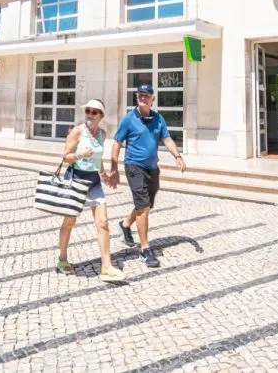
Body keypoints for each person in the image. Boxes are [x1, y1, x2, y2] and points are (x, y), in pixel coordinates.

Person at [109, 84, 186, 269]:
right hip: (134, 166)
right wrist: (113, 167)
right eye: (139, 95)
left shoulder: (158, 118)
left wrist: (177, 156)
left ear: (153, 98)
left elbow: (166, 138)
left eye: (146, 95)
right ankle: (145, 249)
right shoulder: (129, 119)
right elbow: (117, 142)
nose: (142, 98)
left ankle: (126, 224)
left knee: (145, 204)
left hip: (152, 168)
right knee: (143, 207)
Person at [56, 99, 125, 282]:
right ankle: (62, 259)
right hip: (76, 180)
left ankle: (107, 267)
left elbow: (98, 157)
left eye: (95, 112)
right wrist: (80, 154)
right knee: (69, 222)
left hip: (94, 182)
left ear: (101, 116)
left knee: (103, 223)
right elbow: (66, 157)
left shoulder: (102, 133)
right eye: (88, 111)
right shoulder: (77, 131)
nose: (90, 115)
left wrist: (103, 173)